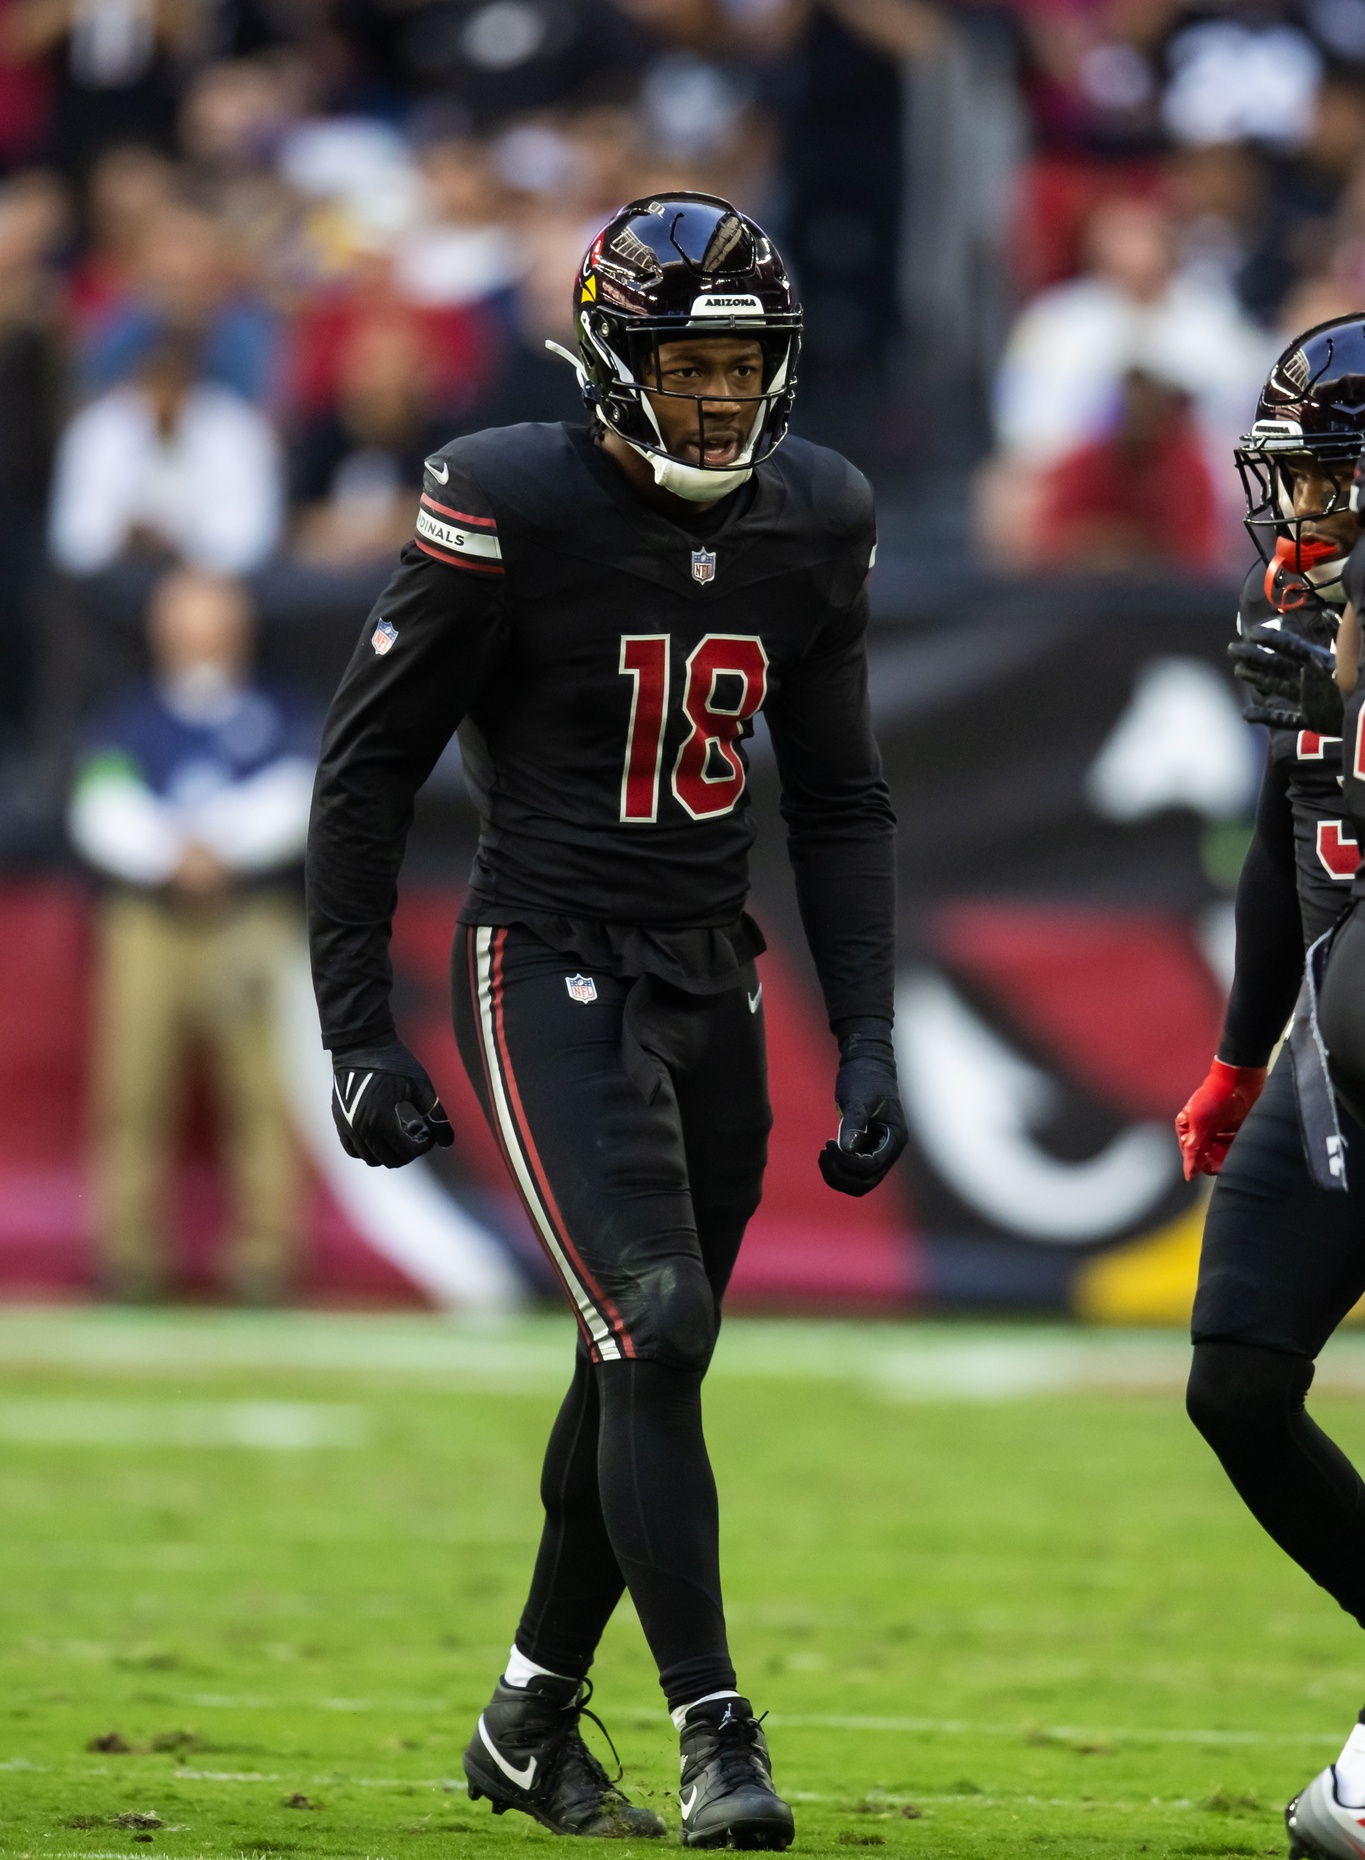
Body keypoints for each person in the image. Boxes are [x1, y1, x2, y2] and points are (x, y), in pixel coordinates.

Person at [306, 192, 904, 1847]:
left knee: (634, 1350)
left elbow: (844, 804)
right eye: (689, 364)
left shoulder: (818, 515)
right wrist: (357, 1024)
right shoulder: (506, 497)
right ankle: (719, 1732)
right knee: (657, 1321)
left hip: (713, 970)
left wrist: (867, 1033)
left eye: (744, 366)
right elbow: (365, 774)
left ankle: (522, 1722)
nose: (720, 400)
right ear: (613, 358)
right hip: (545, 957)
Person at [1174, 314, 1365, 1860]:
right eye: (1293, 476)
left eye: (1330, 478)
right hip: (1330, 1068)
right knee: (1236, 1376)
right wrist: (1241, 1056)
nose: (1300, 508)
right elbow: (1274, 835)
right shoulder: (1301, 605)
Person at [70, 568, 318, 1303]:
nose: (201, 631)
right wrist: (169, 854)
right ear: (160, 628)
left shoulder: (279, 709)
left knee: (260, 1094)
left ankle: (266, 1260)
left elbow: (304, 792)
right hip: (147, 918)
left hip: (250, 914)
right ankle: (128, 1257)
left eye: (214, 616)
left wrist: (222, 848)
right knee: (132, 1089)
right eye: (187, 616)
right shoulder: (130, 715)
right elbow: (98, 802)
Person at [48, 328, 283, 576]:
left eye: (174, 379)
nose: (164, 394)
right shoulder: (98, 429)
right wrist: (125, 535)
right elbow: (73, 539)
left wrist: (182, 541)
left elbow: (251, 536)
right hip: (113, 581)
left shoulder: (236, 428)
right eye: (156, 379)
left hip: (207, 579)